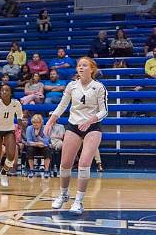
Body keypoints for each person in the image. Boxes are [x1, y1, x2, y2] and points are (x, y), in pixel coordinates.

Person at [44, 57, 108, 214]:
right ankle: (64, 194)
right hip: (74, 126)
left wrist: (91, 120)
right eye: (79, 65)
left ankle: (79, 201)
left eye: (84, 65)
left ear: (91, 69)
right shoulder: (71, 86)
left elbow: (104, 110)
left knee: (84, 163)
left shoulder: (99, 87)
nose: (80, 67)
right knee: (65, 163)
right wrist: (50, 121)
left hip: (92, 127)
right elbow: (62, 105)